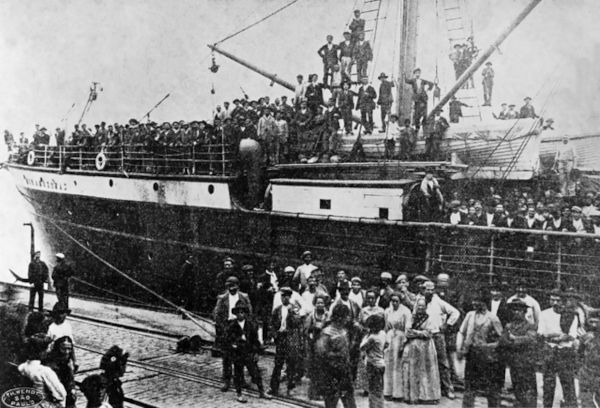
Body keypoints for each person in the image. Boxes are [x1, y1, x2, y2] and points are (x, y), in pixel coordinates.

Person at [457, 290, 503, 408]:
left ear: (484, 302)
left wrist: (489, 346)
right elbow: (461, 332)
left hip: (487, 358)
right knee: (469, 387)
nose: (474, 303)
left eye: (477, 301)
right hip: (472, 354)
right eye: (473, 300)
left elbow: (501, 340)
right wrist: (460, 348)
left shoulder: (493, 318)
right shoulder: (470, 315)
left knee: (490, 388)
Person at [538, 289, 578, 408]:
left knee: (568, 384)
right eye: (552, 300)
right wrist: (556, 335)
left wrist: (558, 338)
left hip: (564, 352)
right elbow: (541, 333)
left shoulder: (571, 315)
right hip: (550, 351)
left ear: (563, 301)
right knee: (548, 384)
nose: (555, 302)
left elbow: (572, 335)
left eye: (558, 300)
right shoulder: (544, 313)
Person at [420, 280, 460, 400]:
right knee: (425, 363)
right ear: (423, 290)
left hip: (437, 335)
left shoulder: (438, 302)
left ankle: (448, 388)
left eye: (432, 289)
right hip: (423, 335)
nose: (430, 291)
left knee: (443, 362)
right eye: (427, 289)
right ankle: (427, 391)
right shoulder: (419, 301)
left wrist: (447, 324)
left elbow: (455, 312)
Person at [226, 301, 270, 402]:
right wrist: (233, 344)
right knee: (238, 374)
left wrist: (257, 353)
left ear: (245, 313)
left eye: (242, 312)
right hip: (238, 353)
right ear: (235, 314)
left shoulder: (251, 325)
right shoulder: (232, 326)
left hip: (249, 352)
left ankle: (262, 392)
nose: (240, 314)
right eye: (238, 312)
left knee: (256, 373)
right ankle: (239, 394)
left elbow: (255, 341)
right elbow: (228, 340)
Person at [314, 303, 357, 408]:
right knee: (331, 401)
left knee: (349, 401)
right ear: (339, 317)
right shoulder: (327, 333)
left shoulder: (344, 330)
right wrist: (336, 356)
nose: (348, 319)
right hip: (331, 372)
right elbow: (320, 352)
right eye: (346, 316)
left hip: (344, 371)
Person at [214, 276, 252, 391]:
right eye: (230, 286)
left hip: (240, 327)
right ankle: (227, 381)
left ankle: (241, 380)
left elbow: (250, 312)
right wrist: (223, 328)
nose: (232, 288)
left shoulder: (244, 297)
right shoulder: (222, 298)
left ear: (238, 286)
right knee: (227, 356)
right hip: (228, 327)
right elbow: (217, 314)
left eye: (234, 285)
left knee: (241, 356)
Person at [400, 297, 441, 403]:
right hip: (413, 347)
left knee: (426, 371)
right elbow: (408, 331)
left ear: (426, 307)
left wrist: (417, 332)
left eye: (423, 306)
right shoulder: (411, 318)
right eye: (419, 306)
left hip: (426, 348)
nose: (420, 308)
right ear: (416, 306)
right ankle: (414, 396)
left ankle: (427, 396)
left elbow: (429, 333)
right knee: (413, 371)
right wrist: (419, 332)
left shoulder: (429, 318)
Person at [498, 299, 538, 408]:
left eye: (519, 310)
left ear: (524, 312)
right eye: (514, 310)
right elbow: (502, 340)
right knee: (517, 387)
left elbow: (531, 339)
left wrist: (514, 339)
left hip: (526, 362)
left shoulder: (530, 325)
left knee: (529, 389)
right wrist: (512, 342)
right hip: (514, 361)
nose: (516, 312)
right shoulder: (508, 326)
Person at [269, 287, 303, 397]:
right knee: (278, 364)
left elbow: (297, 323)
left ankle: (290, 388)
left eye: (287, 296)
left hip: (290, 339)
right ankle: (273, 387)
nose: (285, 298)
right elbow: (272, 324)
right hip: (280, 338)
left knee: (291, 364)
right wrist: (275, 335)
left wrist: (291, 312)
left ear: (290, 297)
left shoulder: (294, 309)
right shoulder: (277, 309)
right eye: (283, 296)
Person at [18, 334, 67, 408]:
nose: (49, 350)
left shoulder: (22, 367)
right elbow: (61, 394)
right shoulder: (44, 371)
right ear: (42, 351)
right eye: (48, 348)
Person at [383, 292, 411, 400]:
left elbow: (407, 328)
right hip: (390, 338)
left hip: (400, 338)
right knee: (388, 364)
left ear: (400, 301)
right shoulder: (387, 311)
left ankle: (398, 393)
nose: (394, 303)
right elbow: (386, 327)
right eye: (393, 301)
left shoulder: (406, 311)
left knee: (398, 365)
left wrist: (403, 344)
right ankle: (388, 391)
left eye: (397, 301)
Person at [304, 293, 330, 400]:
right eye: (318, 303)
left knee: (324, 370)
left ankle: (323, 392)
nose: (320, 305)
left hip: (325, 346)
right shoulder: (311, 316)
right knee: (315, 370)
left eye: (322, 303)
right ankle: (313, 393)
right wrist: (312, 333)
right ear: (315, 304)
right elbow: (306, 330)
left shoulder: (328, 315)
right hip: (313, 345)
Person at [360, 314, 387, 408]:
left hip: (372, 364)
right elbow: (386, 344)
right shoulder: (383, 333)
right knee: (379, 389)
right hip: (381, 363)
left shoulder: (372, 338)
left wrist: (366, 335)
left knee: (372, 390)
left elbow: (362, 347)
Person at [44, 336, 77, 408]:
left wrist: (72, 388)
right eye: (64, 349)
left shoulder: (68, 362)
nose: (67, 352)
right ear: (57, 349)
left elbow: (70, 380)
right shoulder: (51, 364)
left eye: (69, 349)